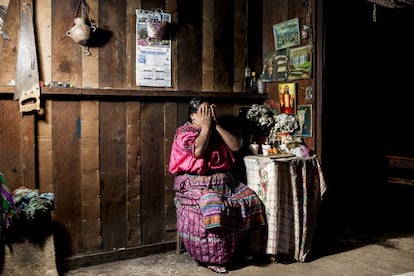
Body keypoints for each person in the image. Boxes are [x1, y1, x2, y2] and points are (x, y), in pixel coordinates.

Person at [168, 97, 266, 274]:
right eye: (203, 112)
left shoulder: (216, 131)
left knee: (251, 199)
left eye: (210, 111)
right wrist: (205, 127)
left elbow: (236, 147)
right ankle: (214, 257)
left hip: (226, 184)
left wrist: (216, 124)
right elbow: (198, 152)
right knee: (214, 206)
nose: (208, 115)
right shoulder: (184, 132)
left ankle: (241, 250)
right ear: (193, 115)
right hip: (194, 186)